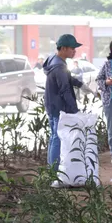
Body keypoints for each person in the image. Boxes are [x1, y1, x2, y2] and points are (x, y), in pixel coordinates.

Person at [43, 34, 88, 169]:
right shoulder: (59, 66)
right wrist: (75, 110)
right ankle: (55, 172)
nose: (75, 51)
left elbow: (66, 78)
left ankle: (52, 169)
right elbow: (65, 90)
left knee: (54, 137)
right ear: (63, 48)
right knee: (57, 138)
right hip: (58, 106)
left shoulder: (54, 60)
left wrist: (80, 84)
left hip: (52, 104)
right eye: (72, 48)